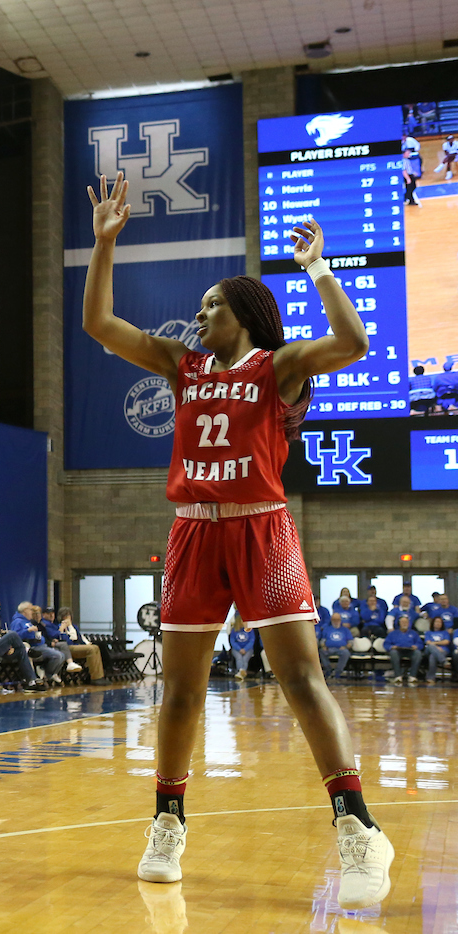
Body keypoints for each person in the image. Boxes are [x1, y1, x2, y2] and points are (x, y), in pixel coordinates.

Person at [83, 174, 392, 907]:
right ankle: (167, 820)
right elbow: (100, 324)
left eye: (211, 306)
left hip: (263, 529)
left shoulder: (277, 367)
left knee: (301, 679)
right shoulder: (180, 364)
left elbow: (354, 342)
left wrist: (319, 270)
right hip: (194, 535)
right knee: (181, 691)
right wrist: (103, 244)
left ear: (246, 314)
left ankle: (356, 823)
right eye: (197, 309)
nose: (199, 317)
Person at [9, 602, 65, 686]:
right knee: (58, 656)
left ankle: (47, 673)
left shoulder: (27, 621)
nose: (32, 612)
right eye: (31, 610)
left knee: (62, 655)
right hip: (33, 647)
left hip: (41, 645)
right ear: (25, 611)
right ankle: (48, 675)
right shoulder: (17, 622)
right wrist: (28, 631)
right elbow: (14, 636)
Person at [54, 608, 106, 682]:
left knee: (95, 647)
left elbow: (79, 638)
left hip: (77, 645)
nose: (68, 618)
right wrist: (65, 627)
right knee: (91, 649)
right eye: (65, 616)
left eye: (69, 615)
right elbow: (66, 640)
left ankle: (99, 676)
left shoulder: (74, 627)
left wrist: (86, 644)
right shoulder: (60, 627)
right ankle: (95, 678)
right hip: (68, 647)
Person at [384, 615, 423, 684]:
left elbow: (420, 644)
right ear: (399, 623)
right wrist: (392, 647)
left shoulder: (414, 633)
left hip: (410, 650)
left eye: (406, 622)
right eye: (403, 622)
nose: (404, 624)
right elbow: (386, 644)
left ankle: (412, 676)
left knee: (418, 653)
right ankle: (398, 676)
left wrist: (416, 646)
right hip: (398, 650)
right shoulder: (393, 633)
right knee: (393, 653)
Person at [318, 613, 353, 680]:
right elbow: (322, 640)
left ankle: (338, 672)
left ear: (340, 620)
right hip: (329, 648)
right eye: (334, 620)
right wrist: (323, 646)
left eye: (337, 620)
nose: (336, 621)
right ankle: (328, 670)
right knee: (321, 651)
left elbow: (351, 642)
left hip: (341, 649)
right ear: (331, 620)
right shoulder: (327, 629)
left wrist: (346, 647)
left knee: (346, 653)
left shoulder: (345, 630)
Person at [422, 617, 450, 684]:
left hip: (443, 650)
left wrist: (434, 644)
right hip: (429, 650)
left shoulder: (445, 632)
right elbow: (428, 642)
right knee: (431, 646)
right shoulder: (428, 633)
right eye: (436, 622)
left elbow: (446, 641)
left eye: (439, 622)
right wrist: (436, 647)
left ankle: (430, 678)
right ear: (433, 623)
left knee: (433, 656)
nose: (438, 623)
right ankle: (443, 661)